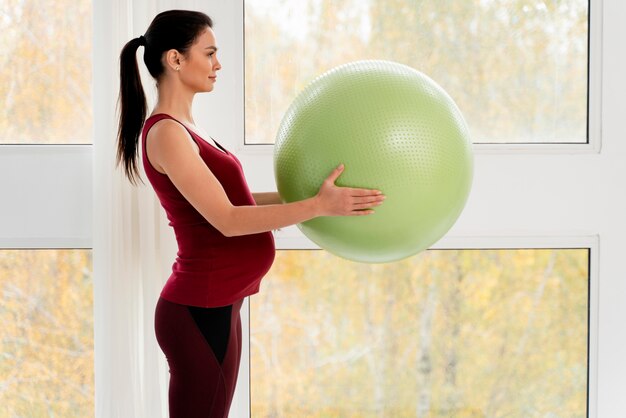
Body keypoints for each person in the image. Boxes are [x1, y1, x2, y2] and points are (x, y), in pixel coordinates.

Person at [116, 9, 385, 418]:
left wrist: (306, 196)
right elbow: (228, 220)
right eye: (208, 53)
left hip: (221, 304)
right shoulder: (167, 132)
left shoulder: (187, 127)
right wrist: (316, 207)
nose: (217, 64)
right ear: (175, 59)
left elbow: (235, 203)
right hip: (198, 310)